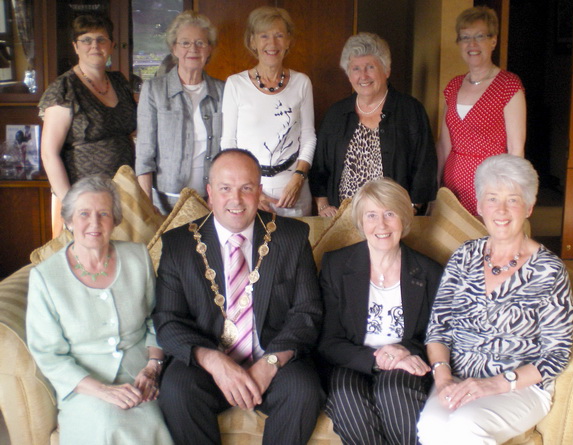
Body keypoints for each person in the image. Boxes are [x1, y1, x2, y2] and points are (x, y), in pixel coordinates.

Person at [153, 149, 324, 444]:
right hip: (208, 365)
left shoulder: (292, 237)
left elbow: (307, 313)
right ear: (209, 192)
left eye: (246, 188)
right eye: (225, 188)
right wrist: (214, 361)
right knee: (177, 388)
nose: (236, 199)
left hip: (272, 359)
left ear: (259, 191)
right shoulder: (179, 244)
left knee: (304, 388)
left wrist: (270, 362)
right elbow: (168, 321)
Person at [417, 154, 573, 444]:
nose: (501, 210)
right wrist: (443, 380)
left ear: (528, 206)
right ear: (479, 205)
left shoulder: (549, 271)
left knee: (467, 426)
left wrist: (495, 384)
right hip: (458, 379)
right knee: (430, 429)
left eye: (513, 199)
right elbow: (438, 329)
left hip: (520, 388)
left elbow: (556, 354)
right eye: (492, 198)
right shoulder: (463, 256)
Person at [26, 176, 173, 445]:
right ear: (69, 221)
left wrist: (153, 366)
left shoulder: (138, 257)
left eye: (103, 213)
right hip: (86, 385)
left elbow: (158, 319)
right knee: (108, 423)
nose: (94, 223)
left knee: (158, 419)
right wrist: (103, 391)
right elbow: (48, 354)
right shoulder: (46, 277)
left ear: (115, 220)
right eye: (84, 214)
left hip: (139, 377)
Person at [319, 178, 442, 444]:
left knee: (395, 392)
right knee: (347, 399)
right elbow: (328, 341)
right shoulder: (336, 266)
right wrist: (377, 359)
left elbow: (438, 336)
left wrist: (403, 351)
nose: (381, 225)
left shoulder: (430, 272)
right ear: (361, 222)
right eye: (371, 215)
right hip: (351, 360)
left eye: (390, 214)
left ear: (404, 218)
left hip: (405, 364)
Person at [309, 32, 437, 217]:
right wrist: (322, 205)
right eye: (355, 68)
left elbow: (425, 166)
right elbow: (320, 166)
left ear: (386, 70)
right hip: (343, 217)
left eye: (370, 67)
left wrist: (412, 207)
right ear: (348, 74)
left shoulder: (410, 111)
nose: (363, 75)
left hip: (393, 219)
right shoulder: (336, 113)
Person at [39, 14, 136, 235]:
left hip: (124, 194)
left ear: (111, 45)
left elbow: (133, 130)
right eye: (86, 39)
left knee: (123, 259)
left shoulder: (120, 82)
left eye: (101, 39)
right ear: (75, 46)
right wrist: (70, 206)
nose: (95, 45)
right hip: (84, 199)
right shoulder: (65, 88)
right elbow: (48, 154)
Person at [221, 6, 316, 217]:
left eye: (279, 35)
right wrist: (250, 189)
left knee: (296, 248)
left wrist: (299, 178)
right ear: (252, 41)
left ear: (289, 40)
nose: (272, 44)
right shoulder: (235, 84)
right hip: (251, 192)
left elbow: (308, 135)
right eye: (264, 36)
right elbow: (228, 143)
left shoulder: (302, 82)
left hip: (294, 190)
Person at [437, 6, 526, 216]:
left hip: (491, 186)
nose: (472, 44)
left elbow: (516, 149)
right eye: (465, 37)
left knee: (485, 245)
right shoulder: (454, 85)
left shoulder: (508, 85)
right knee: (451, 244)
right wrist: (435, 186)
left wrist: (511, 198)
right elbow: (443, 144)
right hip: (452, 187)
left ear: (493, 40)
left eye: (479, 36)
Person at [136, 11, 224, 215]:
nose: (193, 49)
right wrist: (146, 206)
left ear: (209, 48)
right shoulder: (155, 90)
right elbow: (144, 153)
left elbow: (229, 147)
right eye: (185, 43)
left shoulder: (223, 91)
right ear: (174, 48)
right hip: (165, 203)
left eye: (201, 43)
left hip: (211, 201)